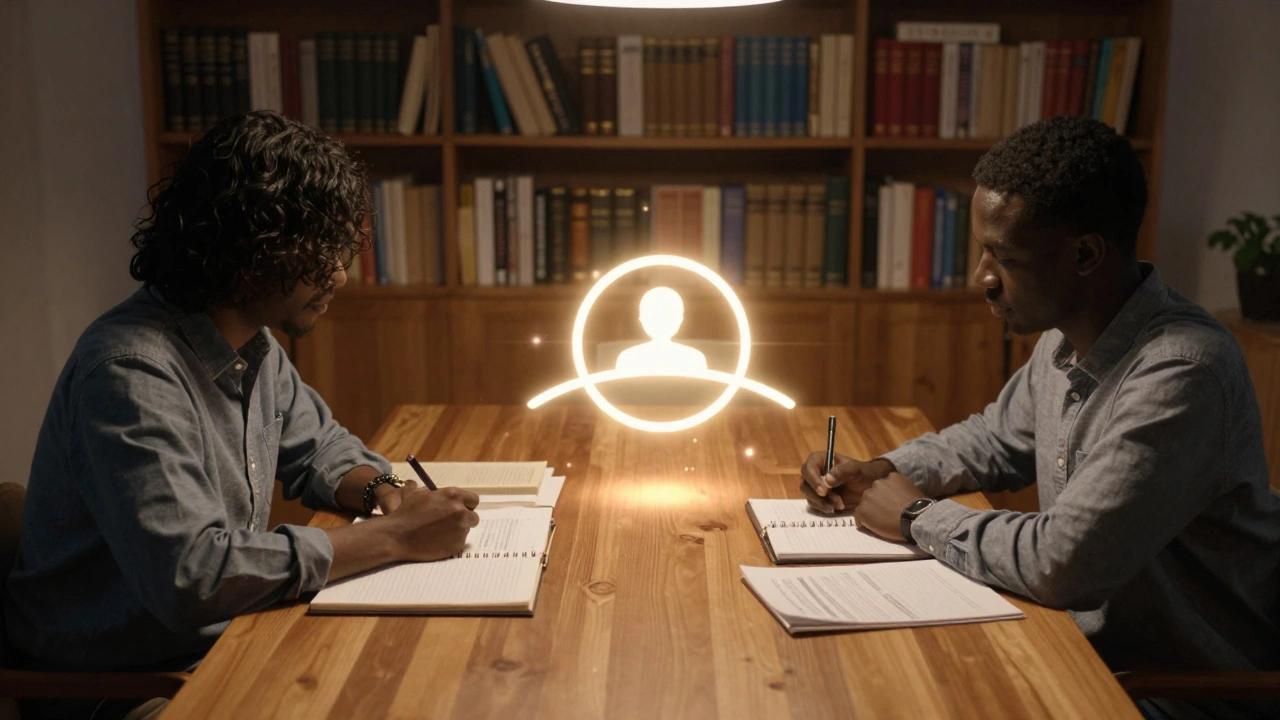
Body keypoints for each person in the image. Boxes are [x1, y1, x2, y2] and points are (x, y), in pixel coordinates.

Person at [800, 115, 1280, 720]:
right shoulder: (1066, 336)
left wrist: (916, 515)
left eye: (1004, 256)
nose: (983, 279)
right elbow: (997, 439)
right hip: (1082, 654)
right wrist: (878, 469)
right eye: (982, 251)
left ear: (1084, 255)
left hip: (1169, 694)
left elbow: (1063, 564)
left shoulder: (1181, 373)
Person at [4, 111, 479, 720]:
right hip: (121, 688)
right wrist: (392, 539)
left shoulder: (251, 344)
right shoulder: (130, 373)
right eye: (318, 252)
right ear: (248, 250)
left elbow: (320, 446)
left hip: (221, 644)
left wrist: (387, 494)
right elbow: (192, 576)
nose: (339, 273)